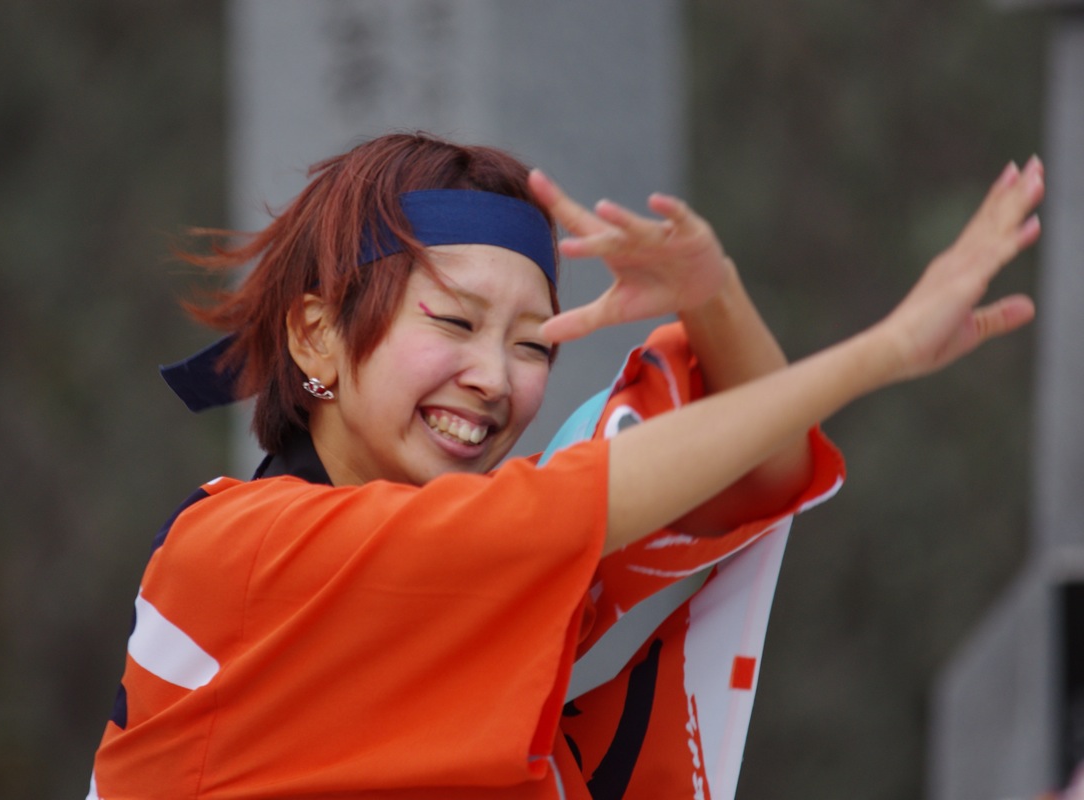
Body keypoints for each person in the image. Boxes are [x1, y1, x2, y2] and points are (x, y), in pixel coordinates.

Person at [85, 132, 1044, 799]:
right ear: (316, 335)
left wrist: (715, 298)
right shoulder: (243, 551)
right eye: (454, 323)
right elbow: (590, 500)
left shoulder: (491, 562)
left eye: (533, 343)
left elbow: (755, 476)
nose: (492, 379)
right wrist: (883, 351)